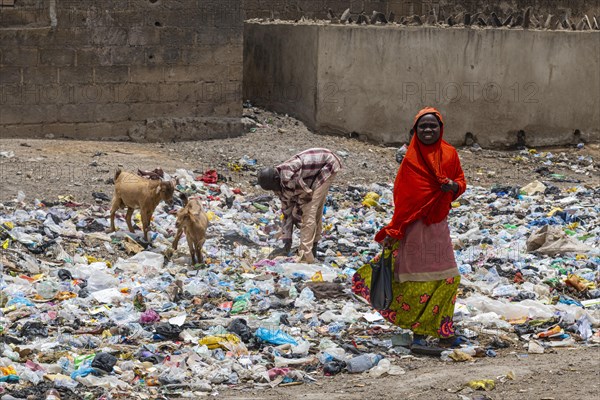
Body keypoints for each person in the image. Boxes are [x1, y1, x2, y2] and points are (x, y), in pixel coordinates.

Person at [352, 107, 466, 348]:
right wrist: (398, 226)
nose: (427, 130)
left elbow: (461, 181)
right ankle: (420, 334)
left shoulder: (450, 154)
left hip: (437, 224)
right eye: (422, 126)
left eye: (432, 126)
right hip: (413, 225)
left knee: (449, 278)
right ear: (415, 130)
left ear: (440, 128)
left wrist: (452, 187)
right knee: (415, 280)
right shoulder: (410, 159)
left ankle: (444, 330)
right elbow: (402, 195)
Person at [258, 148, 342, 263]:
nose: (275, 191)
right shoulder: (278, 185)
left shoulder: (288, 177)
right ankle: (312, 250)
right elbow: (287, 213)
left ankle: (306, 255)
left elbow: (305, 197)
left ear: (276, 179)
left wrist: (296, 215)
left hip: (327, 164)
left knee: (310, 212)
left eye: (274, 187)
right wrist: (287, 244)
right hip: (312, 174)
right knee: (311, 212)